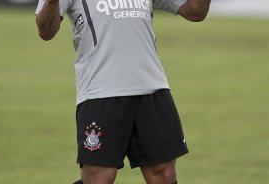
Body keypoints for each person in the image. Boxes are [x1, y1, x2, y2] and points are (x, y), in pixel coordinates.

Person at [35, 0, 211, 183]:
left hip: (152, 88)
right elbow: (46, 31)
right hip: (100, 92)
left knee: (164, 176)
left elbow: (195, 12)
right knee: (99, 179)